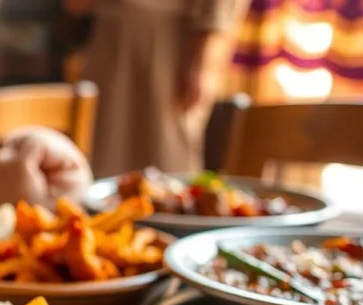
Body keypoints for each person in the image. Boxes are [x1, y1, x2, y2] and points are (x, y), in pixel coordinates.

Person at [72, 0, 248, 176]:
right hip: (111, 36)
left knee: (166, 153)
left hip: (171, 46)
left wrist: (205, 62)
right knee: (105, 150)